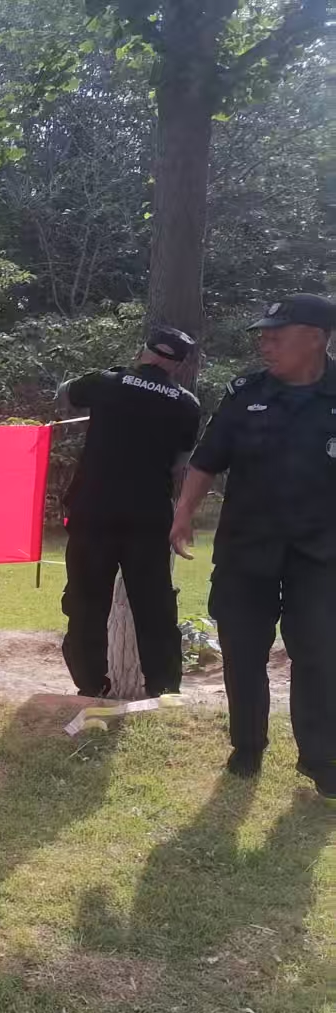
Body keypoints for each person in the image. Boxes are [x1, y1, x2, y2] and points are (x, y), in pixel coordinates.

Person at [171, 293, 336, 800]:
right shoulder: (245, 393)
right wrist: (182, 514)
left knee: (319, 654)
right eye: (262, 335)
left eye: (276, 335)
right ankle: (247, 747)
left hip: (322, 553)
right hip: (246, 547)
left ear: (316, 338)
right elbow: (207, 459)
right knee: (243, 652)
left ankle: (322, 759)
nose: (265, 343)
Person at [56, 326, 201, 699]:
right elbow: (180, 463)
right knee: (154, 605)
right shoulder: (186, 404)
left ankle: (91, 685)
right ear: (179, 366)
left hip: (93, 512)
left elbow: (65, 394)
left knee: (87, 601)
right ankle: (163, 688)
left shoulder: (107, 382)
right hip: (148, 516)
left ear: (144, 351)